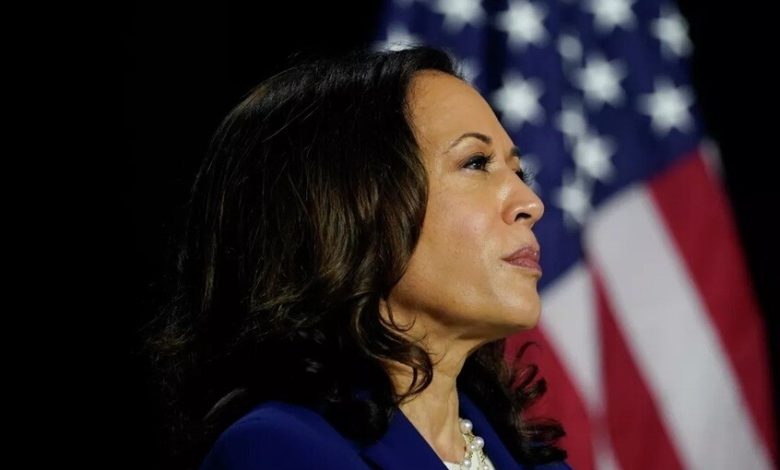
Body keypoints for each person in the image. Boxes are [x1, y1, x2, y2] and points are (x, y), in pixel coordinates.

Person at [144, 45, 573, 470]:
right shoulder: (279, 452)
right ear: (346, 208)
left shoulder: (539, 463)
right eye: (476, 162)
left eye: (518, 172)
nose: (530, 203)